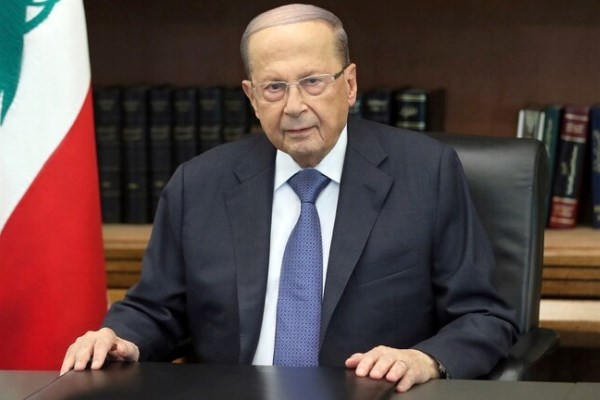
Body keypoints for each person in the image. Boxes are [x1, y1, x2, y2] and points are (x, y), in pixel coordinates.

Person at [61, 4, 517, 392]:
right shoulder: (198, 184)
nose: (294, 106)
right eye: (274, 87)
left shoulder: (425, 173)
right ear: (251, 97)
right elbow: (157, 308)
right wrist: (120, 337)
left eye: (313, 82)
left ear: (350, 85)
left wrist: (424, 360)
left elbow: (484, 316)